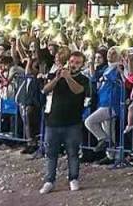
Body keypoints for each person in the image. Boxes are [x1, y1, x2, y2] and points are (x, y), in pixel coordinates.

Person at [40, 50, 89, 195]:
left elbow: (78, 91)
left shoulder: (83, 79)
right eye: (72, 61)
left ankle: (73, 178)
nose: (73, 65)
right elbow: (45, 90)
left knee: (73, 153)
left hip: (72, 122)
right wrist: (56, 79)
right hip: (53, 121)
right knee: (50, 153)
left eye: (77, 63)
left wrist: (68, 78)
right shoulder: (57, 75)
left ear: (82, 65)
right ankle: (49, 180)